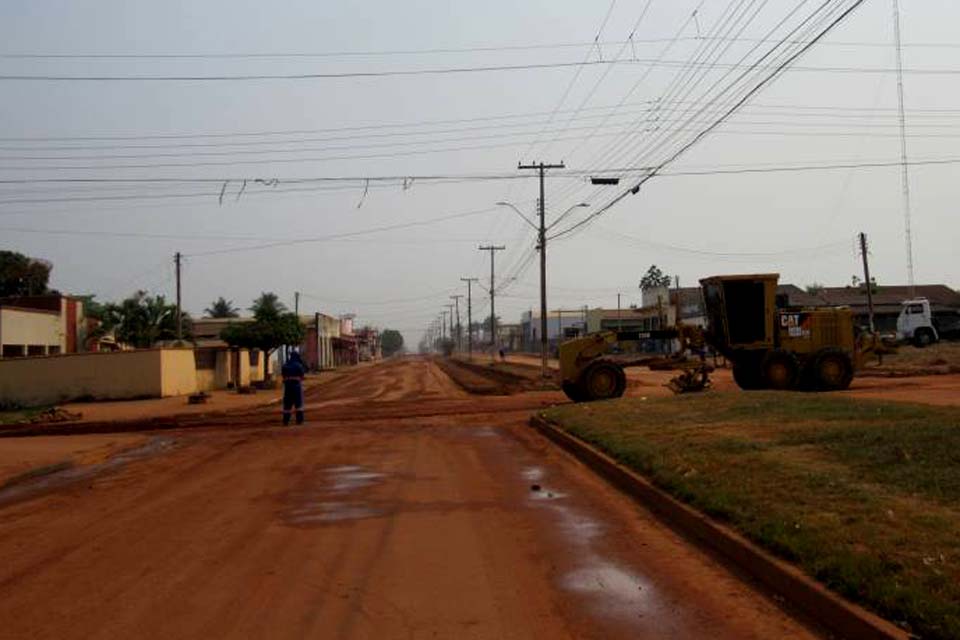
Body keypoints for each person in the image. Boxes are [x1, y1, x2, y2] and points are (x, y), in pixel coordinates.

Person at [281, 351, 306, 426]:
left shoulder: (285, 365)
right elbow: (302, 374)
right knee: (298, 403)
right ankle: (299, 420)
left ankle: (286, 421)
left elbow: (283, 375)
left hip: (288, 387)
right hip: (296, 386)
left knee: (287, 404)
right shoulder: (298, 365)